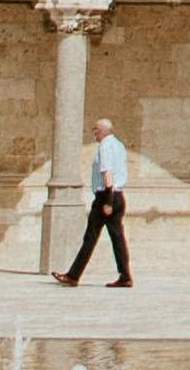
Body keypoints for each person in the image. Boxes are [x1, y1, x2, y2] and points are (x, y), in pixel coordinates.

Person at [58, 122, 132, 288]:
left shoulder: (105, 146)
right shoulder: (119, 145)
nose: (94, 134)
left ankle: (73, 275)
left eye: (95, 130)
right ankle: (125, 276)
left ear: (102, 131)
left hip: (106, 196)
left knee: (90, 237)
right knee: (118, 238)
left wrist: (107, 201)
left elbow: (107, 173)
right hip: (119, 195)